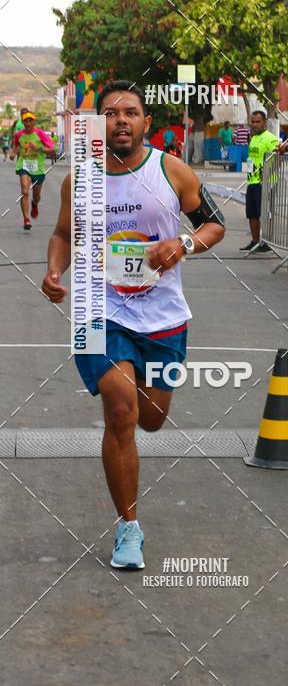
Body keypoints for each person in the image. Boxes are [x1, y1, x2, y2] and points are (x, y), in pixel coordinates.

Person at [41, 81, 225, 570]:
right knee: (120, 409)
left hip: (163, 316)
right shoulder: (80, 180)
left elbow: (213, 224)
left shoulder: (172, 170)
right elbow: (62, 235)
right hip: (98, 309)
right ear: (97, 124)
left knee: (151, 418)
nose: (120, 120)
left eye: (130, 112)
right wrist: (55, 271)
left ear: (146, 122)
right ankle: (128, 527)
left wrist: (183, 244)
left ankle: (145, 394)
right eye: (110, 113)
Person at [240, 110, 279, 252]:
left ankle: (266, 242)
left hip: (265, 183)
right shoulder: (254, 138)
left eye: (258, 122)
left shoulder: (271, 138)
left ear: (265, 122)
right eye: (253, 122)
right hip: (252, 181)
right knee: (252, 214)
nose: (255, 124)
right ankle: (255, 241)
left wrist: (268, 174)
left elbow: (278, 158)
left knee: (265, 213)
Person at [10, 111, 55, 230]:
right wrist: (13, 153)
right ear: (23, 122)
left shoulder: (40, 134)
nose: (28, 123)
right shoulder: (18, 135)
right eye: (26, 121)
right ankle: (26, 220)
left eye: (30, 120)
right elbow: (15, 146)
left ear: (34, 122)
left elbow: (53, 150)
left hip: (38, 168)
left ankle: (34, 204)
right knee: (25, 191)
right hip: (24, 165)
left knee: (36, 196)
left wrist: (39, 148)